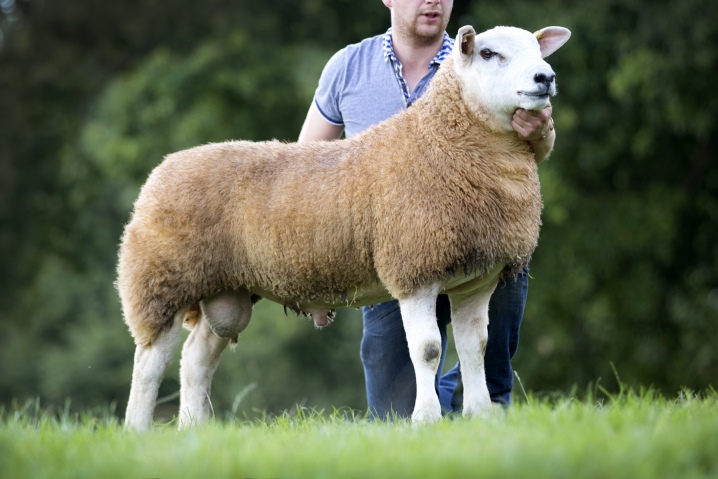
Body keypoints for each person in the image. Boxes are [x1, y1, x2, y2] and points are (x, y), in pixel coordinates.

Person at [298, 0, 555, 417]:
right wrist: (309, 274)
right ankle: (440, 402)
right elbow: (306, 165)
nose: (432, 0)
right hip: (390, 259)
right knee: (395, 416)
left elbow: (534, 151)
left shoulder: (484, 59)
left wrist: (540, 130)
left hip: (476, 241)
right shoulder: (348, 67)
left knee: (490, 365)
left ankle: (476, 404)